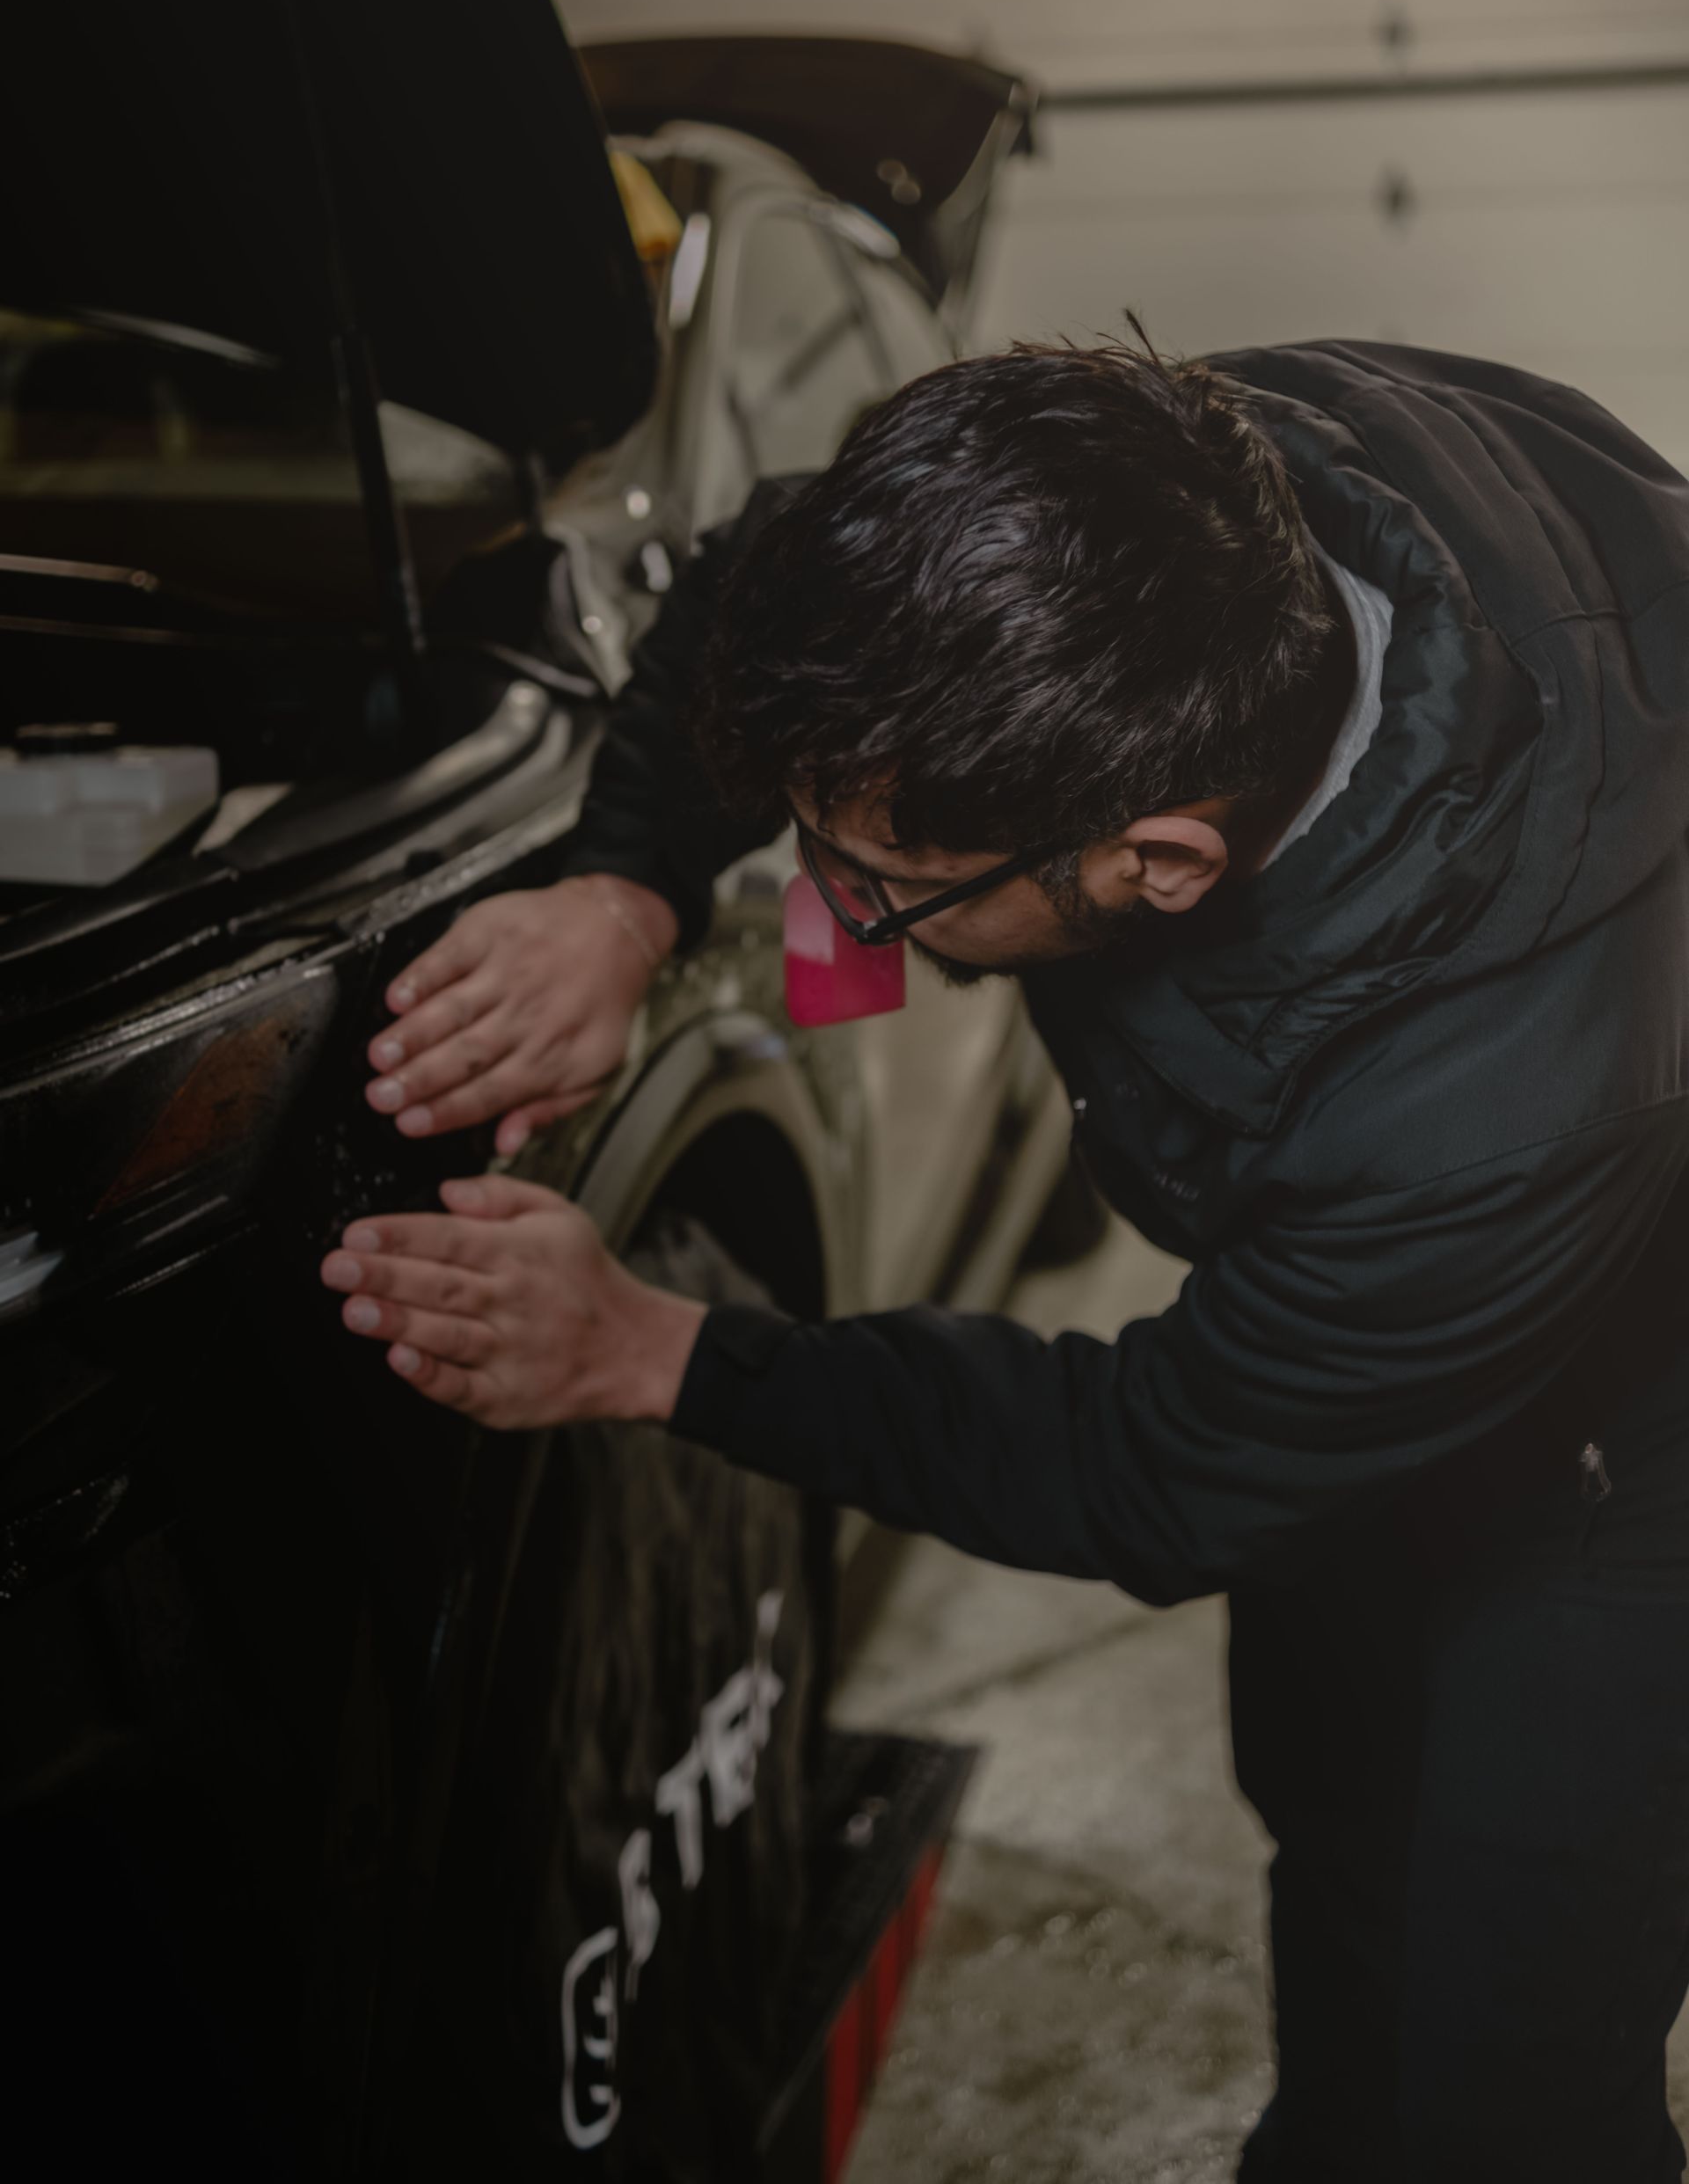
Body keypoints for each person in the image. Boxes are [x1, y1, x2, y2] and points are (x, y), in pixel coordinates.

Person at [318, 338, 1689, 2182]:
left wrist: (665, 1355)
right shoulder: (1149, 497)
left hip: (1642, 1423)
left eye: (879, 882)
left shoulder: (1494, 1097)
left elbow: (1161, 1465)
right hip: (1398, 1302)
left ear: (1160, 859)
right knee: (1341, 1833)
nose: (820, 914)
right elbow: (769, 583)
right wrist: (627, 884)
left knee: (1512, 2060)